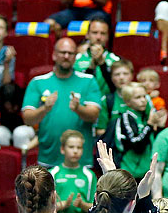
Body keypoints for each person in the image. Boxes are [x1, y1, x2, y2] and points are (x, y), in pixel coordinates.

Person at [21, 38, 105, 167]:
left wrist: (78, 108)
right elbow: (28, 119)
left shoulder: (88, 81)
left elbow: (94, 115)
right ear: (54, 55)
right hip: (49, 157)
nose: (66, 56)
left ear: (75, 57)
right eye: (63, 52)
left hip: (81, 160)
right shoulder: (38, 82)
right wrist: (44, 109)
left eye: (70, 53)